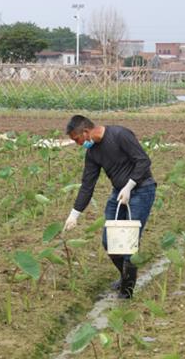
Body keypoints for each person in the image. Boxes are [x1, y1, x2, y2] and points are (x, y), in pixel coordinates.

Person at [63, 115, 156, 299]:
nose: (77, 144)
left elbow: (143, 161)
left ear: (86, 132)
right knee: (109, 241)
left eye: (77, 139)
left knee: (128, 242)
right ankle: (125, 277)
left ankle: (126, 293)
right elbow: (87, 185)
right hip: (118, 193)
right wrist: (74, 214)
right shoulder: (92, 153)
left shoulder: (120, 135)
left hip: (142, 189)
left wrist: (130, 186)